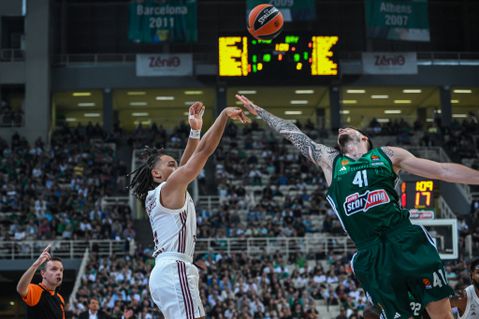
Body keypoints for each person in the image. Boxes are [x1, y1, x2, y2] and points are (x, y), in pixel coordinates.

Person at [235, 94, 479, 319]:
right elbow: (293, 133)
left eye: (348, 128)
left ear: (364, 138)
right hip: (370, 251)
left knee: (441, 315)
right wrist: (261, 112)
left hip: (404, 238)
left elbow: (442, 170)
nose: (341, 128)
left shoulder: (388, 154)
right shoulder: (331, 161)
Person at [127, 102, 249, 319]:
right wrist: (222, 116)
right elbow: (203, 151)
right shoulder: (169, 187)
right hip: (175, 268)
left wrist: (195, 130)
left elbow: (186, 164)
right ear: (156, 173)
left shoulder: (159, 194)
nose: (176, 168)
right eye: (170, 165)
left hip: (165, 271)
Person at [17, 244, 66, 319]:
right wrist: (36, 264)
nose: (59, 272)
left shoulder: (60, 298)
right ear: (43, 273)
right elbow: (20, 289)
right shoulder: (35, 290)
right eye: (54, 269)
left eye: (61, 270)